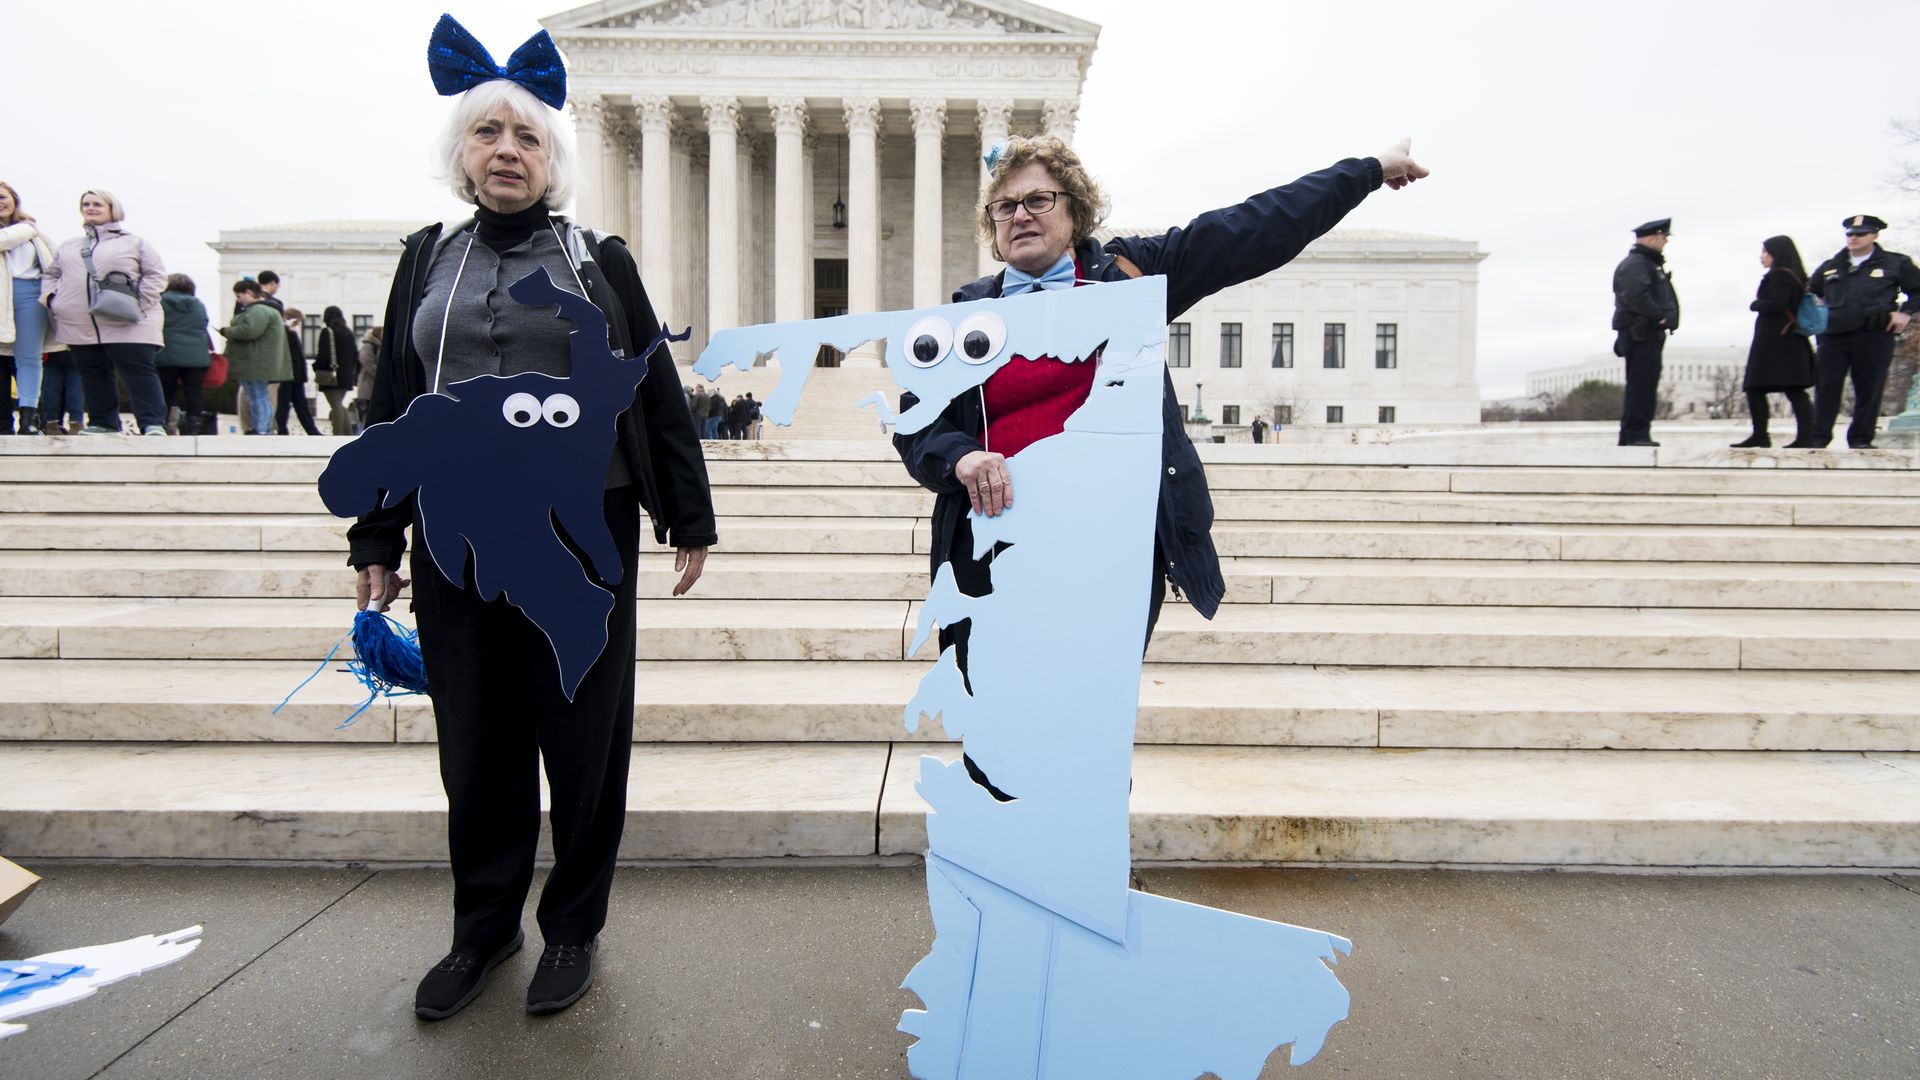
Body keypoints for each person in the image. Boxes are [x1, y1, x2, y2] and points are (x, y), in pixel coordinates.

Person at [349, 16, 714, 1022]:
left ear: (553, 161)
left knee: (582, 736)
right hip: (454, 527)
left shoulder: (598, 258)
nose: (508, 151)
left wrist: (688, 514)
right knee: (475, 739)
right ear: (460, 152)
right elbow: (393, 401)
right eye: (488, 133)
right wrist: (375, 535)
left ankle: (573, 928)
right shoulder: (427, 259)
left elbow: (654, 390)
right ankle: (483, 928)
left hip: (581, 527)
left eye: (528, 137)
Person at [895, 133, 1426, 800]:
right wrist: (961, 456)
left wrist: (1368, 171)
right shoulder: (966, 315)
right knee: (996, 727)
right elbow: (915, 423)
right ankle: (995, 861)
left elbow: (1252, 228)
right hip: (992, 557)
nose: (1020, 215)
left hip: (1106, 556)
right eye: (1005, 207)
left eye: (1038, 200)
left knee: (1088, 724)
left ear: (1076, 209)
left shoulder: (1130, 277)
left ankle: (1083, 858)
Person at [41, 190, 170, 435]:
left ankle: (152, 423)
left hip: (130, 321)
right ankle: (103, 423)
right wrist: (53, 300)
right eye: (86, 204)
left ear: (113, 208)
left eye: (97, 204)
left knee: (138, 371)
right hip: (81, 322)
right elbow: (51, 274)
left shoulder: (135, 242)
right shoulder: (68, 246)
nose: (91, 208)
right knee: (92, 373)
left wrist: (141, 303)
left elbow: (156, 275)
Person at [1807, 215, 1920, 449]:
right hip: (1833, 335)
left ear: (1874, 235)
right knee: (1826, 386)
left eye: (1860, 234)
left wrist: (1905, 312)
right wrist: (1815, 304)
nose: (1854, 238)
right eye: (1850, 234)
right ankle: (1818, 437)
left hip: (1874, 333)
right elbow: (1811, 291)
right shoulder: (1831, 266)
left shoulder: (1895, 263)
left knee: (1869, 387)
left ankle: (1861, 438)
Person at [1731, 236, 1817, 448]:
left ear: (1776, 253)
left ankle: (1764, 435)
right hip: (1788, 339)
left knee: (1757, 387)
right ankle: (1803, 436)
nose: (1761, 256)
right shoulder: (1795, 275)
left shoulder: (1780, 276)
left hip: (1777, 341)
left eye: (1765, 252)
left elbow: (1777, 303)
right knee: (1791, 389)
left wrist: (1756, 304)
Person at [1610, 218, 1679, 447]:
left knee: (1643, 384)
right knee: (1642, 385)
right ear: (1652, 238)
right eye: (1664, 237)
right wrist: (1659, 316)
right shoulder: (1637, 264)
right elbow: (1636, 295)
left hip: (1645, 331)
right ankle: (1636, 434)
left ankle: (1633, 434)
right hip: (1641, 331)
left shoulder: (1645, 263)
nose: (1666, 241)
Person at [0, 182, 56, 434]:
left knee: (29, 357)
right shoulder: (28, 229)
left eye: (2, 197)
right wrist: (26, 228)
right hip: (3, 294)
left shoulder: (37, 234)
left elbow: (54, 260)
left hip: (31, 294)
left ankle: (29, 419)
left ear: (14, 199)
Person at [222, 279, 291, 434]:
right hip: (262, 362)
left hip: (254, 363)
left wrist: (227, 331)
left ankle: (261, 431)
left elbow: (248, 331)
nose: (239, 301)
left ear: (248, 292)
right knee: (261, 397)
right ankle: (264, 429)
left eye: (239, 296)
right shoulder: (269, 310)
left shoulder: (258, 311)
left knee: (257, 397)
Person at [156, 274, 213, 435]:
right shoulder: (198, 304)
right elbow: (204, 323)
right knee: (194, 391)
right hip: (196, 356)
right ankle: (193, 426)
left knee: (166, 391)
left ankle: (161, 424)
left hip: (167, 354)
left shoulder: (161, 303)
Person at [274, 308, 321, 435]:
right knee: (284, 403)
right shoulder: (285, 333)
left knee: (300, 404)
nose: (298, 325)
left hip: (295, 374)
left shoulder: (290, 332)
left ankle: (312, 430)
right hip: (288, 374)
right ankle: (281, 429)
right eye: (297, 322)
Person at [314, 306, 358, 434]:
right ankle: (347, 434)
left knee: (336, 406)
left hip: (331, 375)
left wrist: (316, 366)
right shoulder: (348, 333)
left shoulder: (327, 332)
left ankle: (337, 434)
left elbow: (323, 355)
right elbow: (355, 356)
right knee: (339, 405)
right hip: (346, 376)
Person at [352, 325, 381, 433]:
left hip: (373, 385)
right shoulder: (369, 345)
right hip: (367, 385)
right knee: (365, 414)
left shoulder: (378, 345)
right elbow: (367, 362)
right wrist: (379, 375)